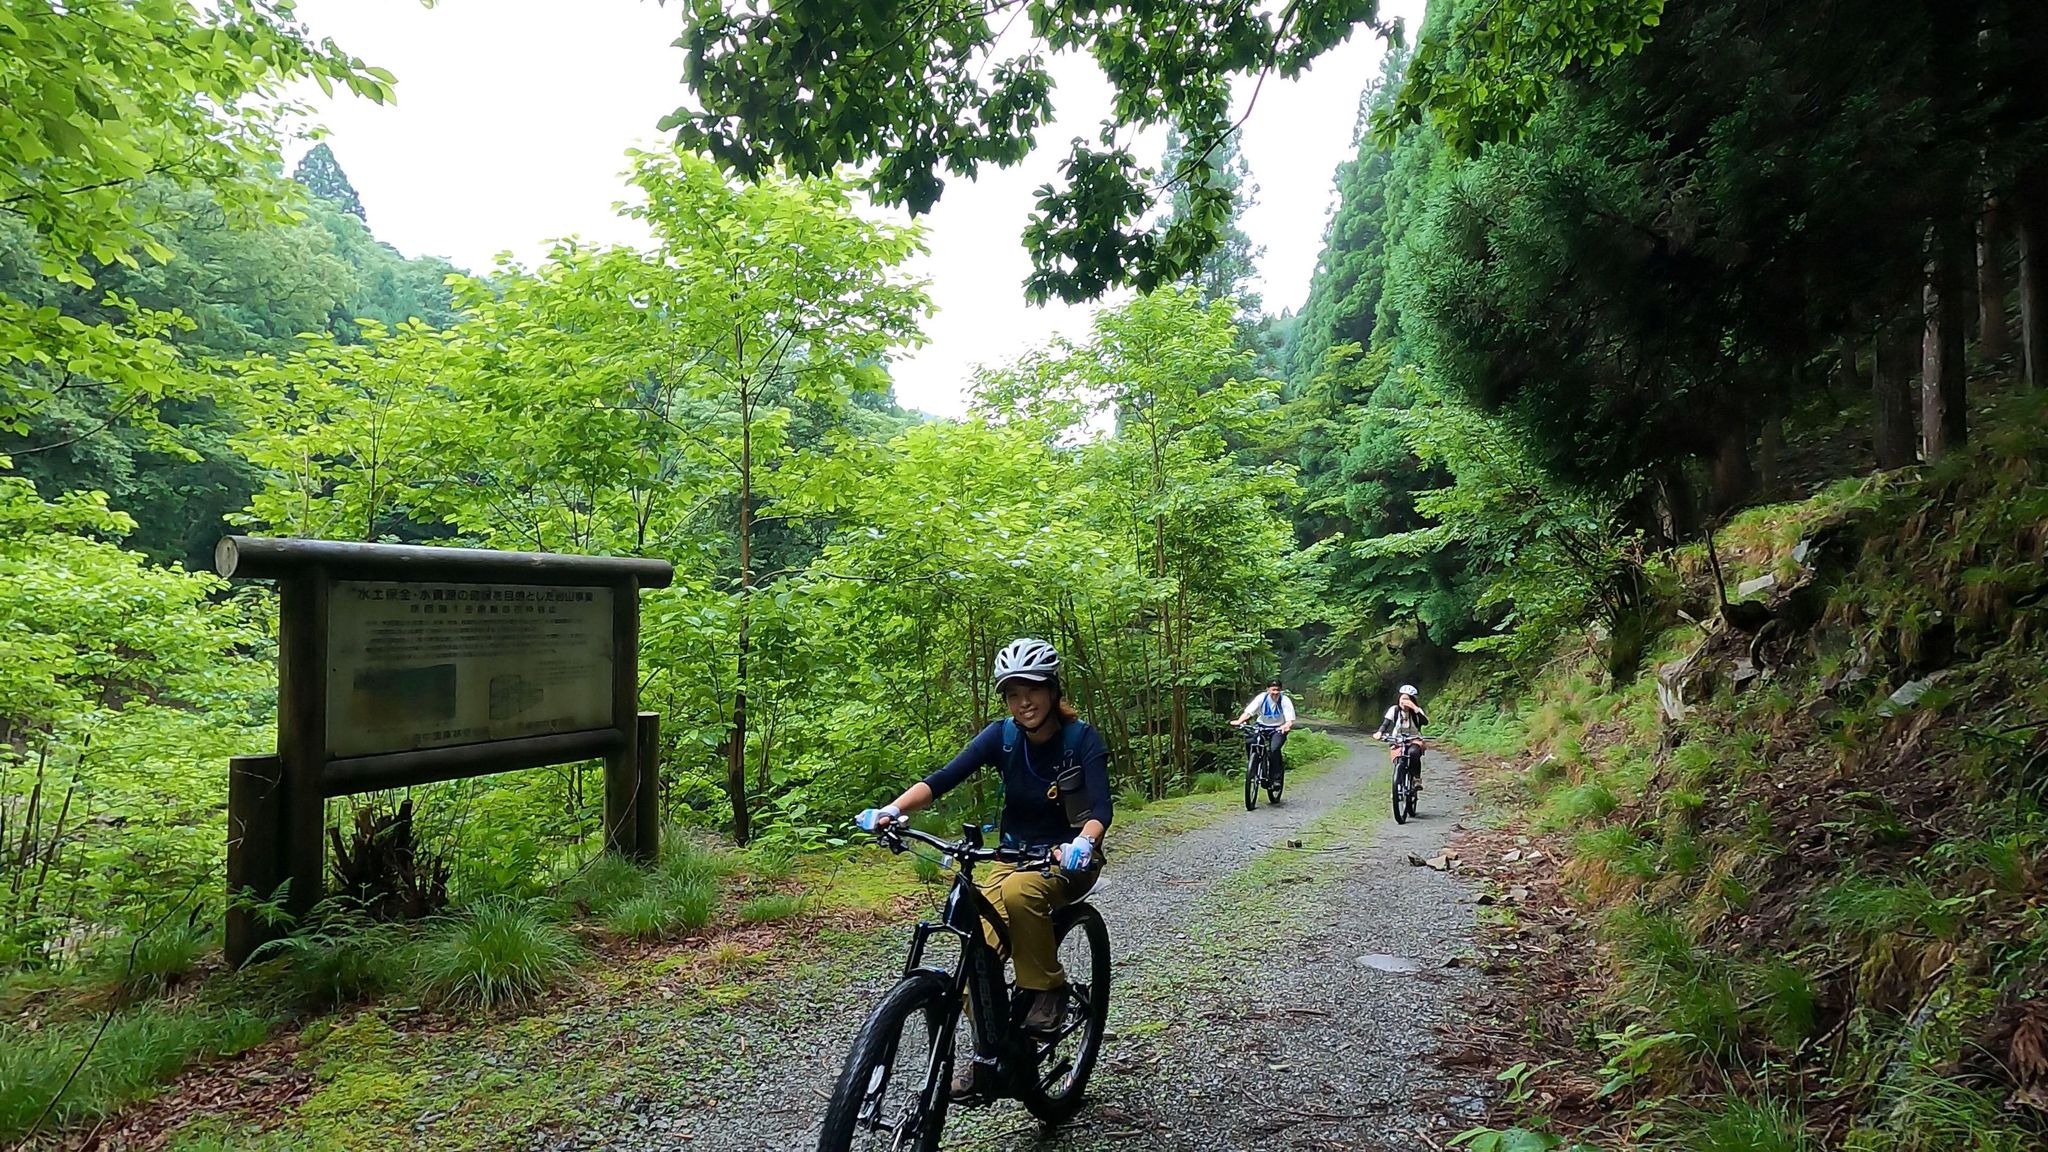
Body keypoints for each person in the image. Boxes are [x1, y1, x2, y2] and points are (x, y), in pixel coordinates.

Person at [854, 637, 1111, 1096]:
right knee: (977, 953)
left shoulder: (1081, 740)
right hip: (1011, 858)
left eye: (1032, 689)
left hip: (1068, 859)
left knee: (1021, 894)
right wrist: (892, 809)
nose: (1023, 701)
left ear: (1053, 690)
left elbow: (1100, 811)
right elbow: (941, 780)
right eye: (1013, 693)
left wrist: (1082, 843)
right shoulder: (1003, 736)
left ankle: (1046, 990)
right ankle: (989, 1054)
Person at [1229, 678, 1296, 775]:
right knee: (1250, 741)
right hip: (1261, 726)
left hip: (1278, 728)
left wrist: (1286, 726)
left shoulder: (1284, 700)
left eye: (1277, 690)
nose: (1275, 692)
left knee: (1274, 750)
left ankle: (1276, 777)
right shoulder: (1262, 698)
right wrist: (1239, 721)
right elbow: (1248, 712)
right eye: (1273, 690)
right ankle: (1254, 766)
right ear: (1268, 689)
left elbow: (1290, 719)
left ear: (1280, 690)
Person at [1375, 683, 1430, 791]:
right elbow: (1386, 724)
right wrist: (1379, 732)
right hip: (1398, 739)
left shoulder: (1417, 711)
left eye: (1406, 699)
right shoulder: (1394, 710)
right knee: (1399, 759)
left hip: (1414, 739)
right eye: (1402, 698)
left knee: (1413, 753)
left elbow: (1425, 722)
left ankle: (1416, 779)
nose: (1403, 701)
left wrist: (1414, 708)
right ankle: (1397, 787)